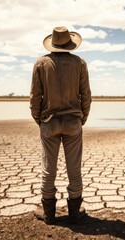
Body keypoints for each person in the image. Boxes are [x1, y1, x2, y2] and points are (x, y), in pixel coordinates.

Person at [30, 26, 91, 225]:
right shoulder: (79, 63)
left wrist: (39, 120)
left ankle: (49, 214)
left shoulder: (41, 63)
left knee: (49, 169)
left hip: (49, 122)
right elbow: (86, 96)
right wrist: (82, 118)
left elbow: (35, 98)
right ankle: (74, 213)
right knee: (74, 169)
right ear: (69, 44)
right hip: (73, 122)